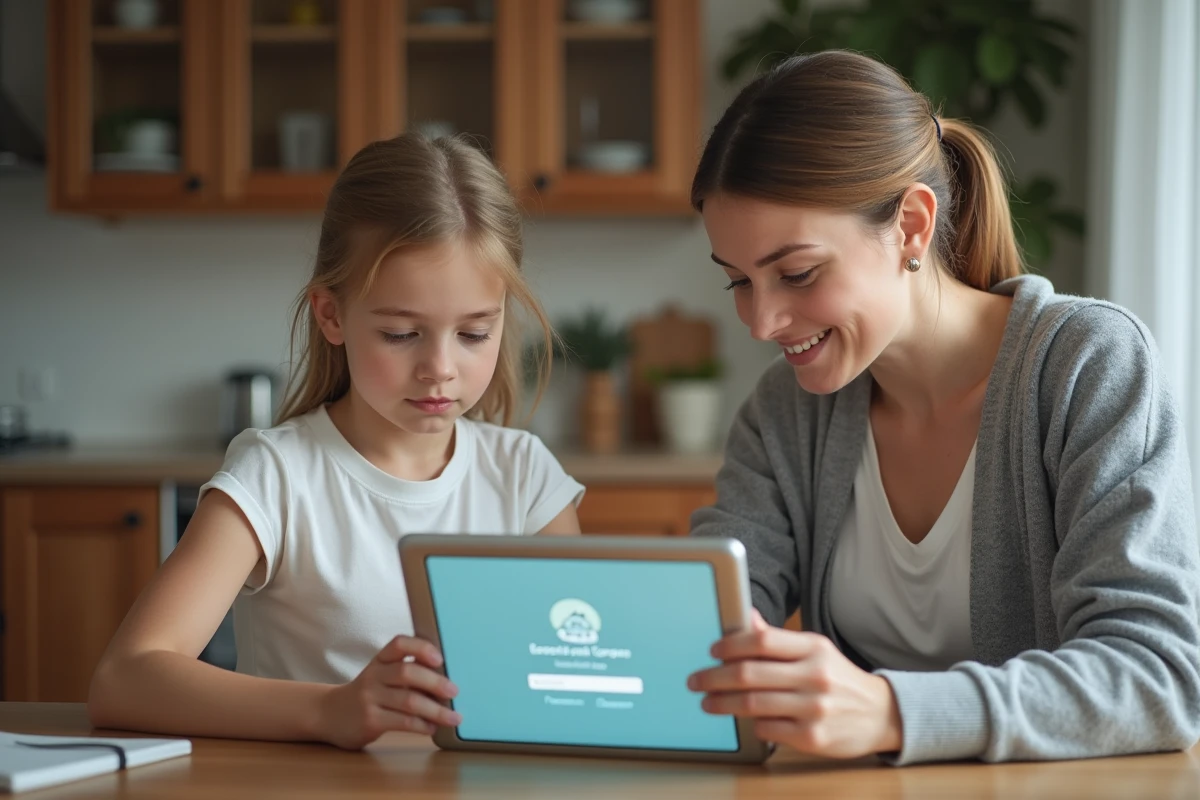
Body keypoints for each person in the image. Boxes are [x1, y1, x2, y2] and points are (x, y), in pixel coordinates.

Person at [685, 50, 1200, 765]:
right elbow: (710, 621)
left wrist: (892, 712)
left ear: (912, 226)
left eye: (797, 273)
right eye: (738, 282)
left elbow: (1158, 675)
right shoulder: (785, 411)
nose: (761, 323)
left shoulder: (1087, 365)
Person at [88, 134, 584, 749]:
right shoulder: (276, 475)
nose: (440, 369)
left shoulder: (527, 476)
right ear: (331, 315)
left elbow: (576, 669)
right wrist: (331, 710)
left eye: (474, 334)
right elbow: (125, 679)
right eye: (401, 334)